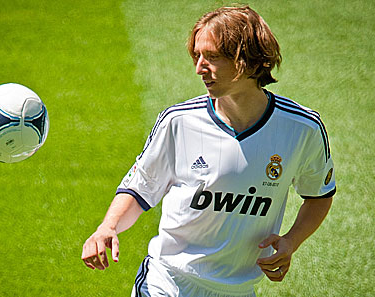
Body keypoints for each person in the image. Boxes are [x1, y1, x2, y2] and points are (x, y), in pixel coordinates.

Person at [82, 5, 336, 297]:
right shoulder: (179, 122)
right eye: (197, 56)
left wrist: (292, 241)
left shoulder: (301, 129)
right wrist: (108, 227)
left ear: (249, 61)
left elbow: (318, 195)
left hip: (238, 290)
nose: (199, 67)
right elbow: (140, 190)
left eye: (213, 57)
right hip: (167, 283)